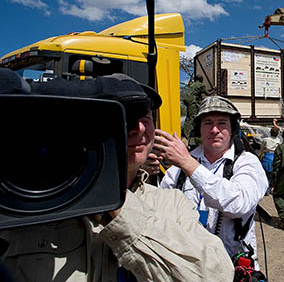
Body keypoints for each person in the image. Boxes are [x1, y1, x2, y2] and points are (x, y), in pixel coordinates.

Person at [0, 71, 234, 282]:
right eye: (123, 116)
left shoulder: (172, 204)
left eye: (146, 117)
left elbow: (216, 274)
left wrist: (117, 204)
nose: (139, 129)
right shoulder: (28, 201)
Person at [157, 96, 268, 269]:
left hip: (232, 268)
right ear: (199, 130)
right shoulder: (178, 169)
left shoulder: (247, 163)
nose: (214, 129)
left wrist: (188, 164)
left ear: (232, 129)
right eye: (208, 123)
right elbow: (159, 209)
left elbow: (239, 203)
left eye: (222, 123)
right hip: (189, 269)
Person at [182, 74, 210, 148]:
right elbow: (208, 94)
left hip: (187, 100)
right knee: (191, 118)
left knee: (188, 117)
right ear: (201, 79)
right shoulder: (201, 85)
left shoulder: (193, 84)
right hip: (191, 100)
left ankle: (187, 135)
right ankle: (186, 137)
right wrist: (215, 89)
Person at [260, 126, 281, 194]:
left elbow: (262, 148)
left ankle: (266, 190)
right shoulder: (278, 140)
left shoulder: (265, 140)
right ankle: (273, 188)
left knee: (266, 174)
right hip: (274, 156)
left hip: (266, 156)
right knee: (274, 174)